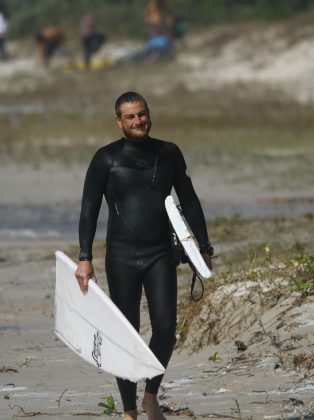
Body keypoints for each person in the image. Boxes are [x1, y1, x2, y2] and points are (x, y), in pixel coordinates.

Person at [75, 92, 213, 419]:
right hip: (121, 256)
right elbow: (89, 209)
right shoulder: (106, 159)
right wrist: (85, 257)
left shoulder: (168, 154)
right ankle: (128, 411)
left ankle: (150, 395)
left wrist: (203, 248)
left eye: (143, 114)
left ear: (149, 114)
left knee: (166, 329)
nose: (139, 121)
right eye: (131, 117)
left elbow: (190, 201)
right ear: (119, 122)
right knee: (127, 333)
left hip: (160, 253)